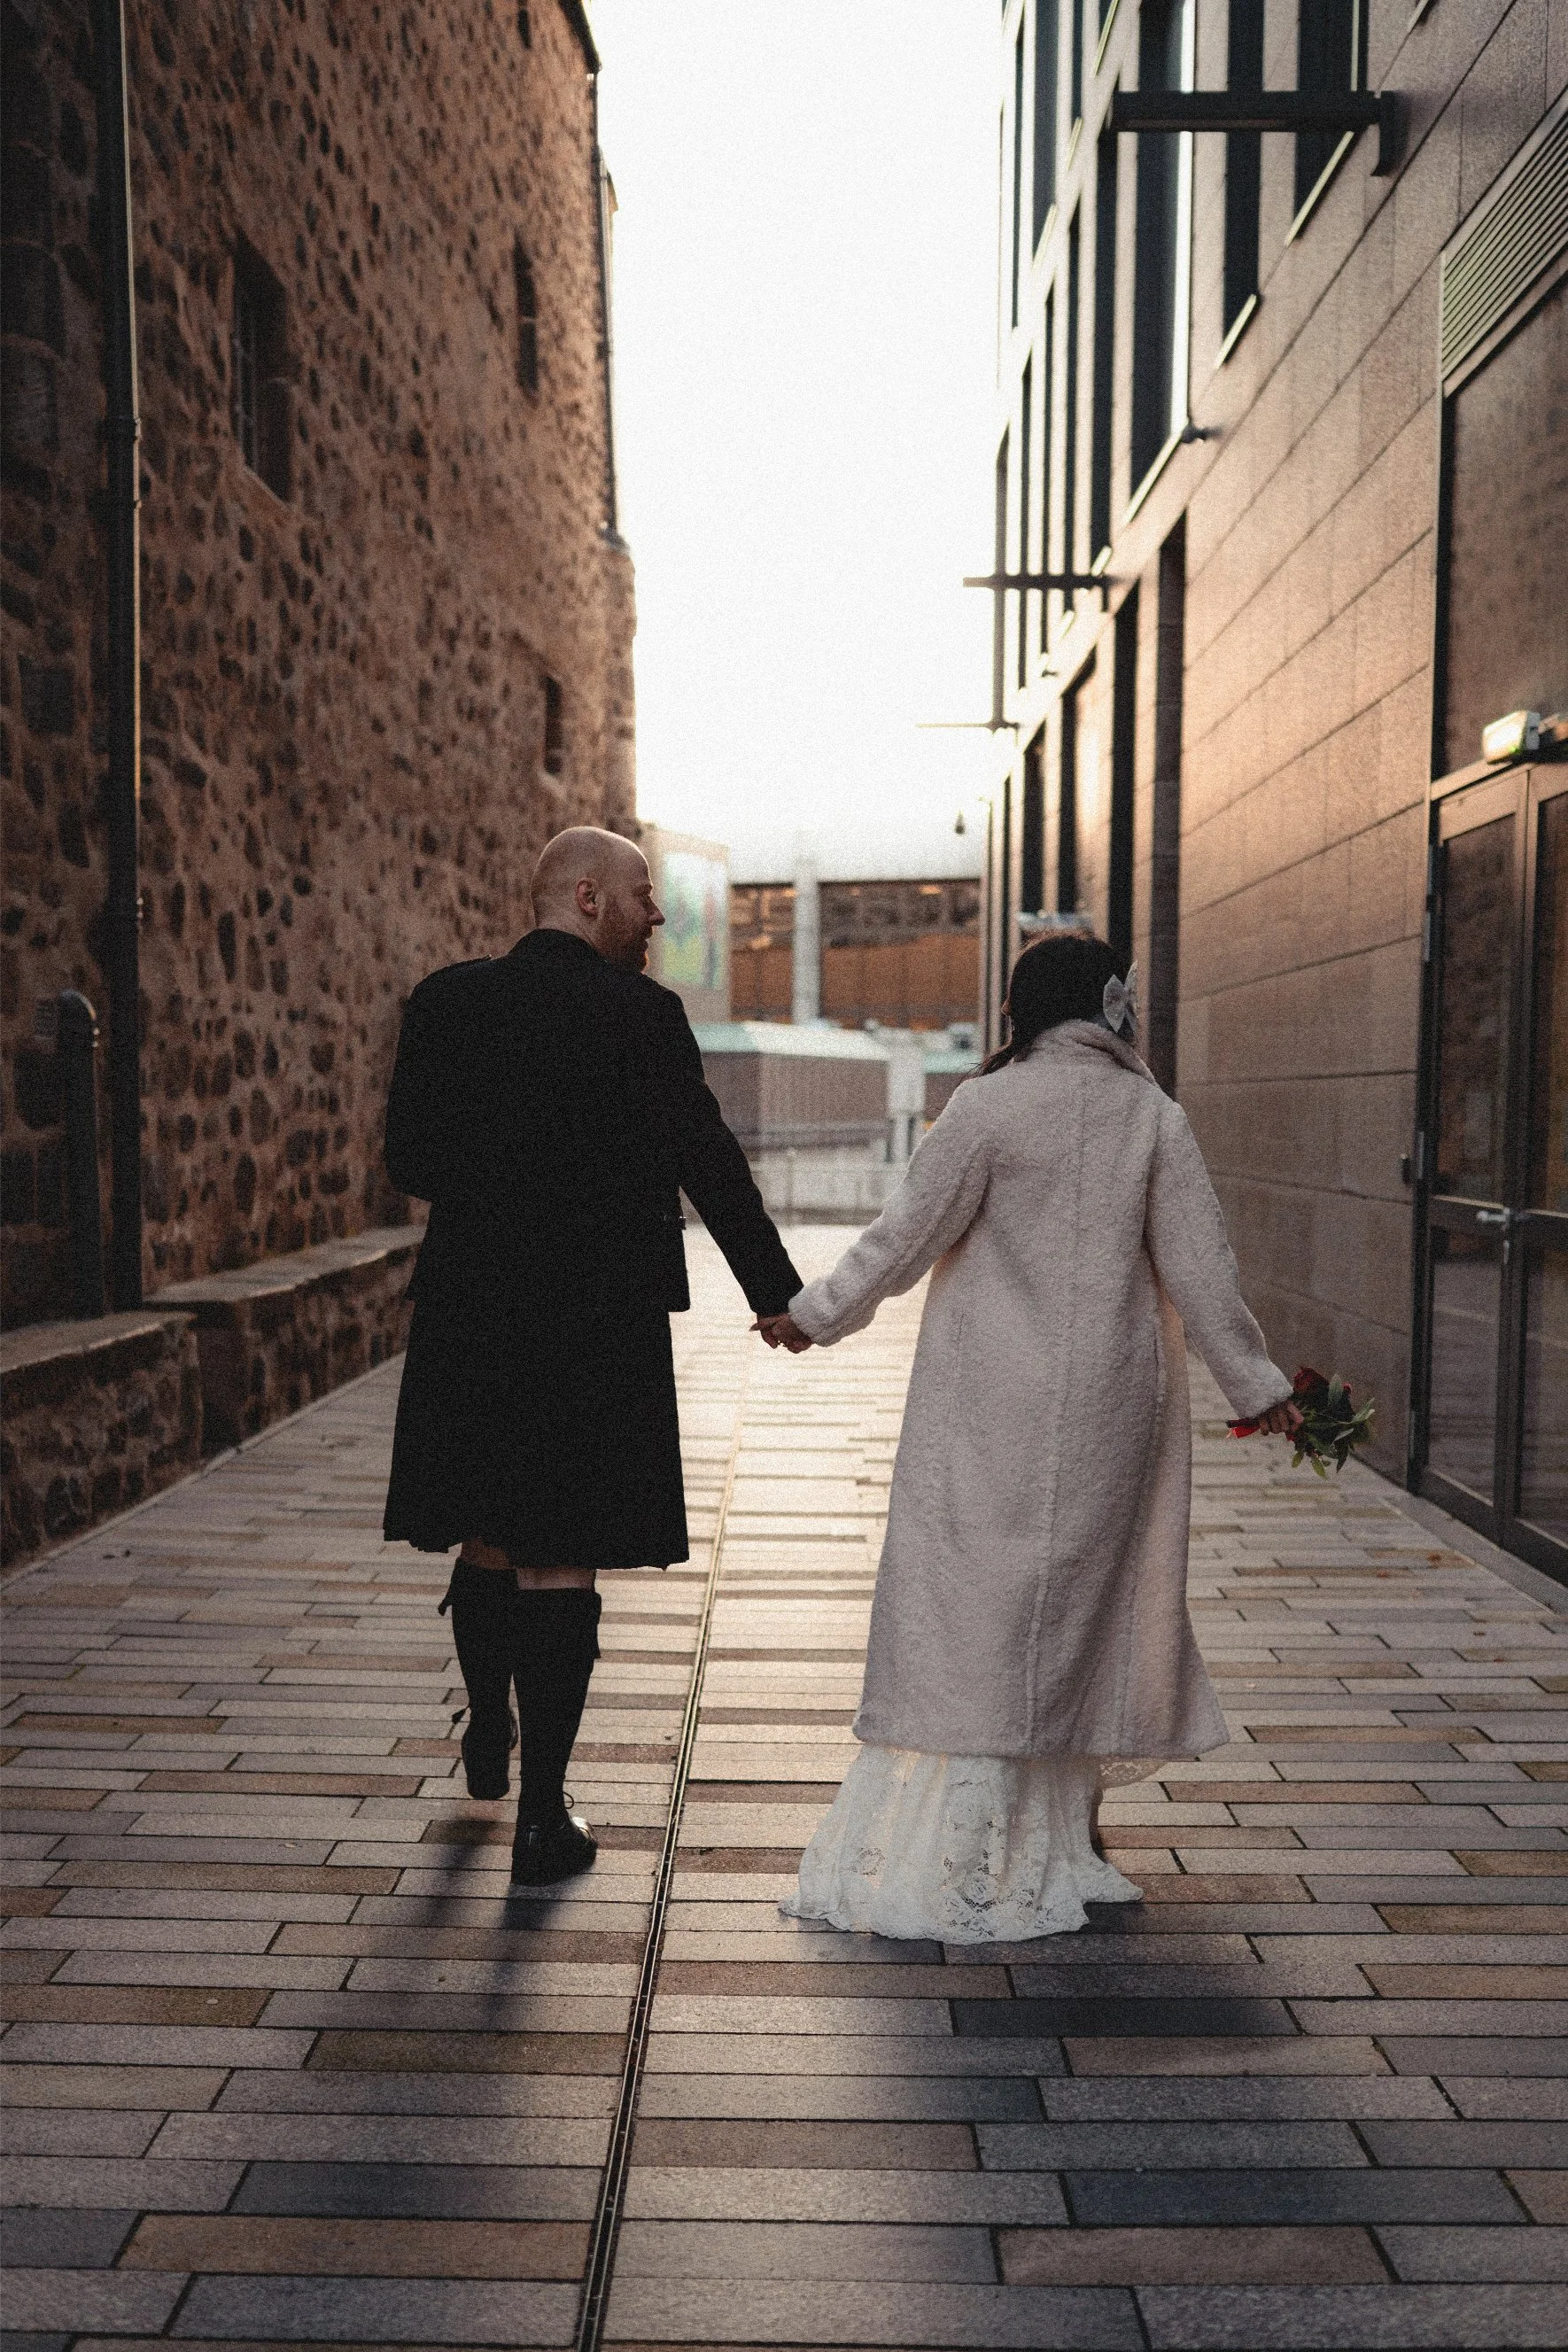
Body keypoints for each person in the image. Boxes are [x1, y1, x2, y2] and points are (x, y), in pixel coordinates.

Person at [755, 932, 1301, 1941]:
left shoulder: (988, 1107)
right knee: (1082, 1612)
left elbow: (903, 1237)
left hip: (987, 1406)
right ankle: (1062, 1841)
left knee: (979, 1608)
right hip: (1110, 1407)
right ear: (1106, 1007)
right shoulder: (1152, 1116)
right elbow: (1201, 1268)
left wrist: (815, 1313)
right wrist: (1256, 1383)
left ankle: (973, 1845)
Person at [383, 826, 802, 1885]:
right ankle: (543, 1818)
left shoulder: (444, 1003)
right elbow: (708, 1158)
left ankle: (488, 1723)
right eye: (644, 895)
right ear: (587, 896)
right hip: (591, 1319)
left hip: (472, 1308)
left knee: (484, 1529)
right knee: (559, 1550)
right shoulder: (643, 1017)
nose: (658, 915)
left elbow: (411, 1159)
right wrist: (778, 1296)